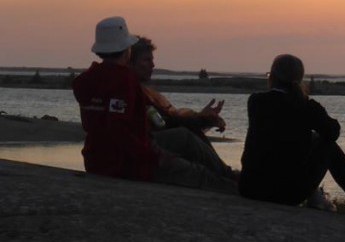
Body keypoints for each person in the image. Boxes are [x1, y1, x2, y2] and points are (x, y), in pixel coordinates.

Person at [72, 16, 236, 194]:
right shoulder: (124, 81)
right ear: (126, 51)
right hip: (125, 163)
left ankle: (232, 177)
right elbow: (119, 130)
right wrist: (156, 156)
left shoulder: (86, 80)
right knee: (198, 174)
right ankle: (239, 189)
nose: (152, 65)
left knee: (184, 137)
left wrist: (200, 120)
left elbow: (109, 124)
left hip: (96, 158)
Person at [238, 54, 345, 207]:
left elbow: (278, 132)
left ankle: (317, 197)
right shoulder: (306, 106)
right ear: (299, 80)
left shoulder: (255, 101)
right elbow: (333, 132)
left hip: (249, 187)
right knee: (328, 145)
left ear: (271, 76)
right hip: (285, 194)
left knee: (308, 139)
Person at [128, 36, 235, 181]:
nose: (153, 65)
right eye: (146, 60)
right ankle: (227, 176)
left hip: (147, 142)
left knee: (189, 131)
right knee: (185, 135)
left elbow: (167, 118)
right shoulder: (131, 89)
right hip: (141, 147)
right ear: (130, 63)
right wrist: (201, 119)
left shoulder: (143, 91)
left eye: (152, 60)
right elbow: (165, 122)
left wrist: (201, 118)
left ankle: (225, 174)